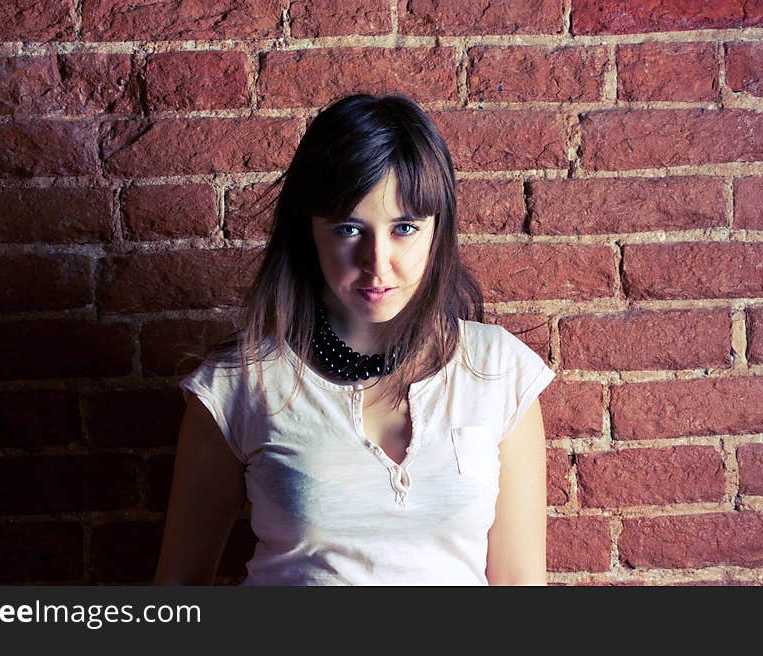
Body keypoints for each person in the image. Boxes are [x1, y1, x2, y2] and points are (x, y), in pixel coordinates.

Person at [153, 93, 555, 586]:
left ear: (437, 230)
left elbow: (519, 587)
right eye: (349, 229)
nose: (377, 262)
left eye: (405, 228)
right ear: (310, 231)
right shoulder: (239, 384)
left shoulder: (500, 372)